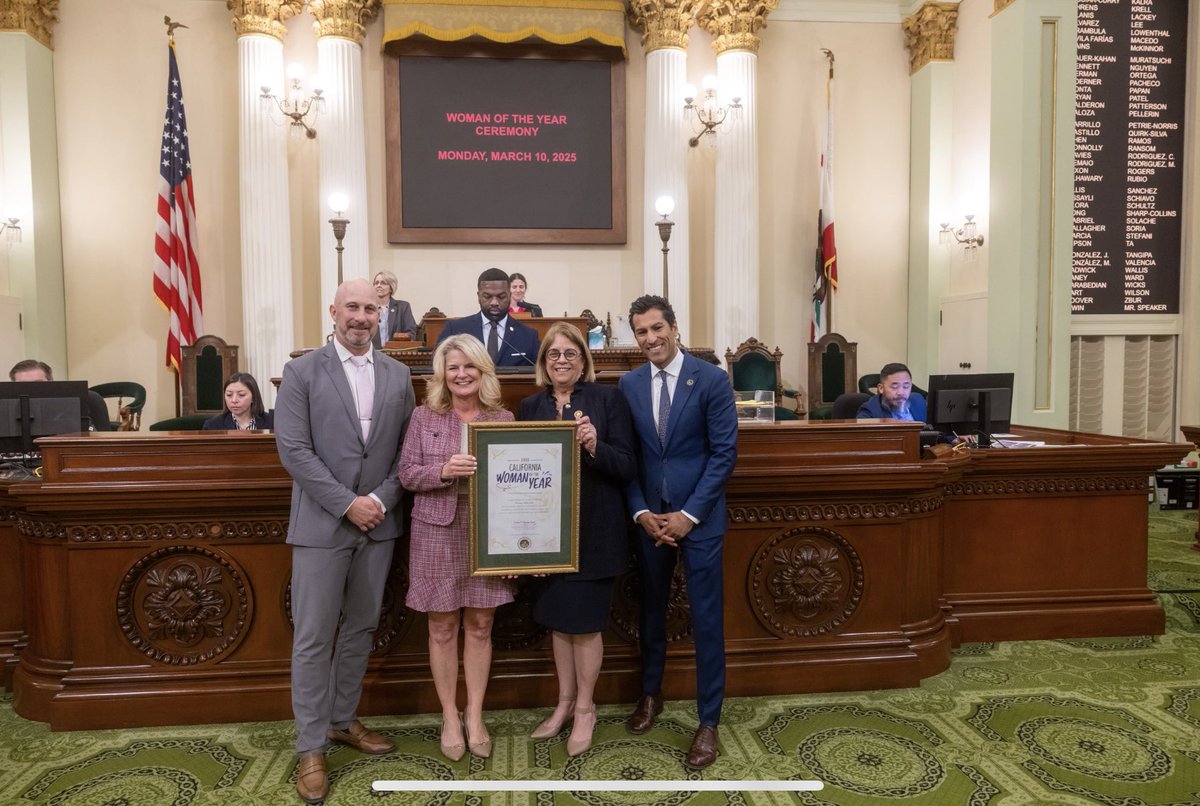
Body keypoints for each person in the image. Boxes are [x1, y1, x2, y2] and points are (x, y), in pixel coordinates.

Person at [273, 278, 415, 804]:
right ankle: (310, 747)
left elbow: (408, 451)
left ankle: (341, 719)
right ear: (333, 311)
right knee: (313, 637)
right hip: (322, 525)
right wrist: (347, 503)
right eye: (352, 307)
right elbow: (293, 450)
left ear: (381, 315)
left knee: (361, 627)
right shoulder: (301, 372)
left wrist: (378, 499)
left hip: (379, 523)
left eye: (370, 309)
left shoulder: (399, 374)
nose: (361, 316)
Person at [617, 294, 737, 770]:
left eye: (656, 328)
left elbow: (724, 454)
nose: (650, 339)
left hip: (699, 521)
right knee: (651, 611)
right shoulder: (628, 385)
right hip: (650, 519)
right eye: (641, 332)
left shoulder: (711, 379)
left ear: (673, 327)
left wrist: (689, 515)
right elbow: (626, 457)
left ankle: (708, 720)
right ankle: (651, 693)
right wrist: (640, 511)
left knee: (706, 619)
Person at [517, 322, 636, 756]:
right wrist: (527, 541)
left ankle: (586, 708)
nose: (562, 360)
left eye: (570, 353)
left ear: (584, 361)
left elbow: (627, 466)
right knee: (559, 621)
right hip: (548, 536)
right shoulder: (530, 406)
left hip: (596, 531)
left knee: (584, 625)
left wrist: (594, 445)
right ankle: (564, 703)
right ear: (543, 363)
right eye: (554, 354)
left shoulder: (608, 399)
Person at [398, 333, 514, 762]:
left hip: (488, 534)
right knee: (442, 627)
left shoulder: (503, 419)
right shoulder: (423, 416)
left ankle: (475, 715)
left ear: (483, 371)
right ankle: (450, 715)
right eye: (453, 367)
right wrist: (444, 470)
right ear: (442, 374)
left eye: (470, 366)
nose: (462, 374)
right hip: (436, 531)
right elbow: (407, 474)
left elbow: (518, 486)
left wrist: (519, 546)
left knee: (481, 625)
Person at [437, 268, 540, 368]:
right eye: (487, 297)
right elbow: (437, 367)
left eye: (501, 297)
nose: (494, 302)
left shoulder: (528, 336)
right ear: (479, 296)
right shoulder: (455, 330)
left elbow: (540, 372)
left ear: (509, 296)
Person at [8, 359, 112, 432]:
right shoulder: (6, 409)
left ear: (51, 382)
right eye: (22, 385)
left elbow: (103, 443)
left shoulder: (87, 400)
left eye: (38, 384)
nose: (32, 390)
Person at [856, 362, 927, 421]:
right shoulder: (870, 411)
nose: (901, 392)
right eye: (895, 387)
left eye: (906, 386)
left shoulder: (919, 401)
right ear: (881, 388)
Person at [202, 372, 273, 430]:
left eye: (241, 395)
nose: (234, 400)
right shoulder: (212, 426)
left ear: (253, 397)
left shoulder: (272, 422)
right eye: (229, 395)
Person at [371, 270, 418, 346]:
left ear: (391, 287)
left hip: (396, 351)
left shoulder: (403, 307)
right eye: (376, 283)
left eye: (383, 283)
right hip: (373, 351)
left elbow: (411, 333)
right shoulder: (368, 308)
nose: (378, 285)